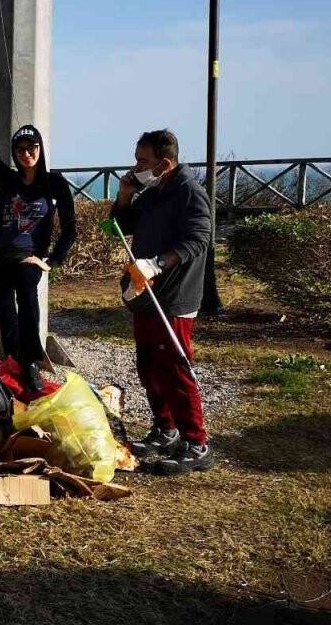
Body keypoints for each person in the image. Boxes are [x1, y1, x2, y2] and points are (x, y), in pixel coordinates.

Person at [111, 129, 213, 475]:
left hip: (174, 294)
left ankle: (196, 442)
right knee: (148, 364)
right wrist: (125, 196)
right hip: (145, 292)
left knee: (175, 366)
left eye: (143, 161)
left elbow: (199, 238)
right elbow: (122, 224)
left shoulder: (189, 193)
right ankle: (165, 429)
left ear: (164, 164)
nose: (136, 166)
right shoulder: (153, 191)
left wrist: (159, 262)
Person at [0, 81, 76, 390]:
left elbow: (70, 229)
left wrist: (51, 260)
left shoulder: (55, 184)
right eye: (20, 149)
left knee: (28, 306)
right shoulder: (8, 179)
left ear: (40, 150)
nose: (26, 153)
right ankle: (15, 372)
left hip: (28, 260)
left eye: (32, 148)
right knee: (8, 322)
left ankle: (31, 365)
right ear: (14, 153)